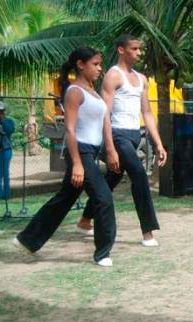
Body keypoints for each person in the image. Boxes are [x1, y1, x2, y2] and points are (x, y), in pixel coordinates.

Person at [13, 47, 117, 267]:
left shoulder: (94, 92)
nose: (100, 68)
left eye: (100, 64)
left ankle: (27, 240)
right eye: (95, 64)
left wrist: (110, 149)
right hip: (80, 151)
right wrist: (78, 164)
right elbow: (69, 130)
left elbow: (104, 121)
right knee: (103, 198)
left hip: (92, 151)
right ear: (81, 64)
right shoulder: (74, 92)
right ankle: (103, 253)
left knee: (64, 199)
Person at [76, 35, 167, 247]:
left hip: (134, 135)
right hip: (117, 135)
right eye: (134, 49)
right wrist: (109, 147)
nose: (139, 53)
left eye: (139, 49)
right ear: (121, 50)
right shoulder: (112, 76)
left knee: (111, 179)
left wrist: (159, 144)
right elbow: (104, 114)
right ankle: (148, 231)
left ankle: (84, 220)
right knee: (139, 175)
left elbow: (147, 112)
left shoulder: (142, 78)